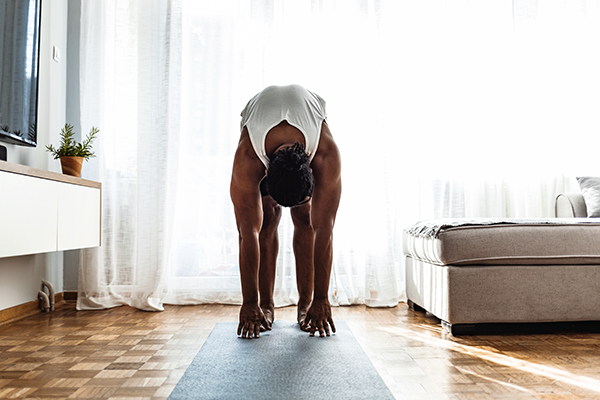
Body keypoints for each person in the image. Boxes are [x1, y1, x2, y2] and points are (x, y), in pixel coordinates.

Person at [230, 84, 341, 338]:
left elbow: (325, 229)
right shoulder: (248, 158)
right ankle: (266, 305)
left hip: (306, 119)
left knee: (306, 218)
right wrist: (249, 303)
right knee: (267, 219)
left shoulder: (326, 154)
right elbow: (247, 234)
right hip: (259, 121)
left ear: (313, 172)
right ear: (265, 174)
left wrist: (323, 299)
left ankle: (307, 304)